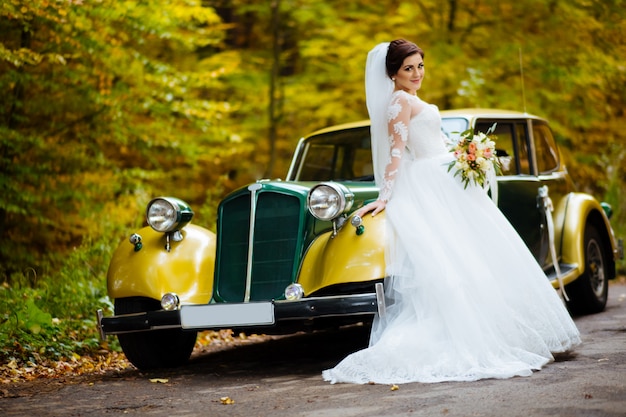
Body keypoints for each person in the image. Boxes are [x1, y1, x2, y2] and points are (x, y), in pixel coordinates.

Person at [321, 39, 581, 384]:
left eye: (420, 66)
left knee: (474, 256)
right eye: (408, 69)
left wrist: (469, 155)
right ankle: (472, 339)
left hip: (443, 177)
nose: (416, 74)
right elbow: (397, 152)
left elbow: (429, 141)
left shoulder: (410, 99)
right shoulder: (399, 101)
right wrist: (385, 195)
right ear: (393, 74)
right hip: (430, 182)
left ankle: (501, 332)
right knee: (453, 261)